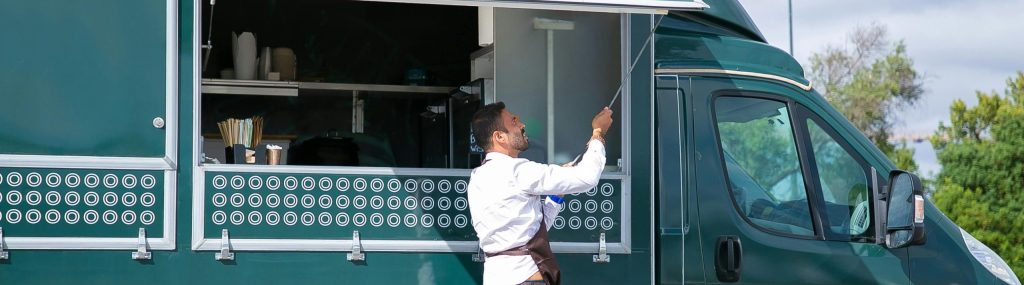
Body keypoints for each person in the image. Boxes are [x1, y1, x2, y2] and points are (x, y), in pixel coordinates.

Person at [467, 102, 613, 285]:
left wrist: (557, 193)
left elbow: (532, 231)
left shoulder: (477, 178)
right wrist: (598, 133)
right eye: (514, 122)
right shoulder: (517, 171)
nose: (522, 125)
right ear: (499, 137)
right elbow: (587, 178)